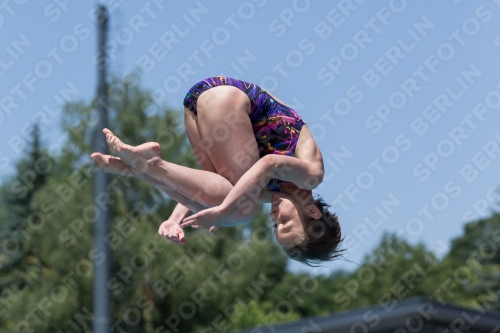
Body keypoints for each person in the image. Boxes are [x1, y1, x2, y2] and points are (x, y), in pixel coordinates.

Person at [91, 76, 343, 266]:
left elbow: (205, 186)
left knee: (231, 204)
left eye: (275, 227)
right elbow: (269, 164)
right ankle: (152, 166)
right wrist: (225, 210)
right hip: (229, 99)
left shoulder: (268, 191)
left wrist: (175, 219)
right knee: (242, 209)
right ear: (312, 211)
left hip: (196, 106)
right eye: (285, 222)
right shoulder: (311, 176)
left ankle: (140, 169)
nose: (274, 218)